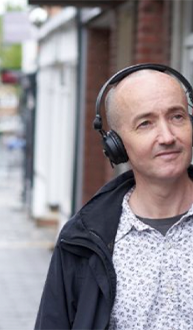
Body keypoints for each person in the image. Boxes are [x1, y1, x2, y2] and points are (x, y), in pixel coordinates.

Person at [35, 64, 193, 330]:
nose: (167, 136)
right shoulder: (80, 240)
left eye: (177, 117)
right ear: (116, 145)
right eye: (146, 123)